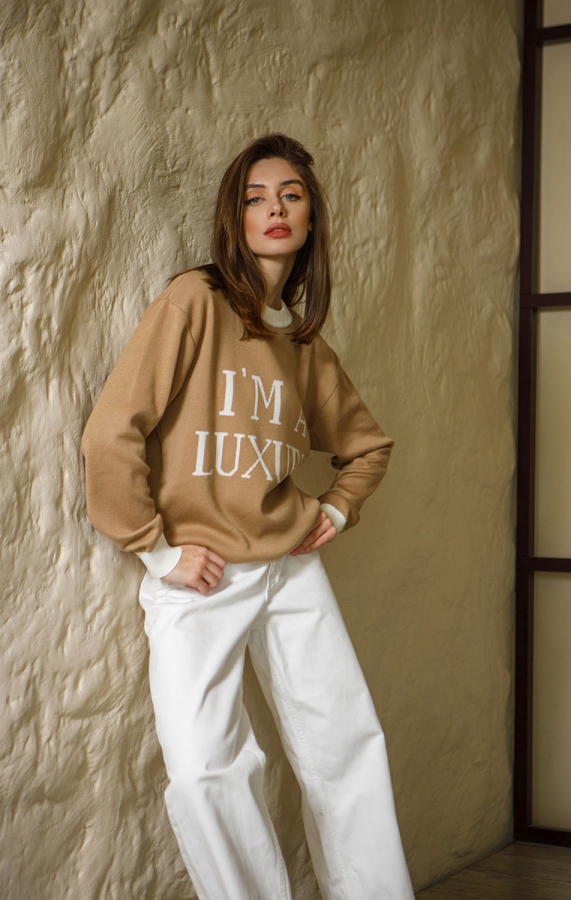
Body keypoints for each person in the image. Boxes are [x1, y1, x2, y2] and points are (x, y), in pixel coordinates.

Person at [82, 133, 415, 900]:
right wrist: (156, 550)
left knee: (346, 749)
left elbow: (367, 448)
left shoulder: (301, 340)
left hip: (292, 570)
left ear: (310, 219)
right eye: (256, 197)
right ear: (234, 217)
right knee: (205, 769)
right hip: (200, 576)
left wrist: (337, 508)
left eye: (291, 196)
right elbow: (111, 431)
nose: (274, 209)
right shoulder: (193, 302)